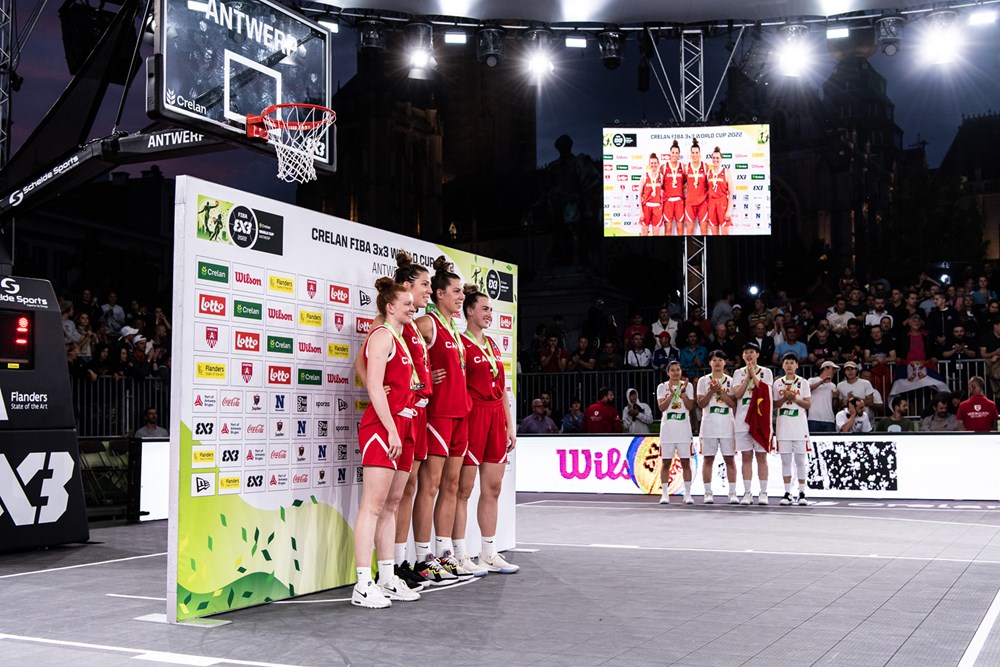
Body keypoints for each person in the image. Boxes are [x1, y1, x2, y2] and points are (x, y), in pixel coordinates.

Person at [353, 252, 434, 591]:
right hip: (383, 428)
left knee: (391, 505)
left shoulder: (401, 337)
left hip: (404, 424)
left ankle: (387, 576)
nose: (412, 307)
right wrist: (389, 428)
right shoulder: (383, 334)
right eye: (406, 303)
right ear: (390, 306)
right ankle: (362, 584)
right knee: (372, 508)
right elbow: (372, 384)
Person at [411, 257, 474, 585]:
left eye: (462, 291)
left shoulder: (454, 328)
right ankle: (422, 558)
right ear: (438, 294)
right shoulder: (426, 324)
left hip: (460, 414)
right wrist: (422, 376)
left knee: (451, 485)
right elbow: (403, 349)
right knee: (430, 485)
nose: (461, 297)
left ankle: (444, 552)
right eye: (455, 291)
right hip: (437, 415)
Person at [455, 286, 519, 575]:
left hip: (495, 418)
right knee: (463, 490)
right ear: (469, 310)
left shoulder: (493, 345)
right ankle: (458, 554)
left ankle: (489, 553)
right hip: (473, 417)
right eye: (484, 308)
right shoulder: (461, 343)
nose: (489, 314)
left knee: (493, 488)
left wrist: (509, 425)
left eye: (491, 309)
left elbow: (503, 390)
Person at [731, 343, 773, 505]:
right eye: (746, 352)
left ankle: (763, 493)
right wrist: (747, 377)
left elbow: (765, 391)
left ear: (757, 354)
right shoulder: (737, 373)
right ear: (742, 356)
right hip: (742, 419)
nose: (749, 355)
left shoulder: (766, 372)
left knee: (761, 456)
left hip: (760, 418)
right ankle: (747, 492)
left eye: (751, 352)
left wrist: (753, 375)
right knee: (746, 456)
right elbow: (737, 394)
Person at [696, 350, 737, 504]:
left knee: (729, 459)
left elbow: (733, 404)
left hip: (727, 425)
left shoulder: (731, 381)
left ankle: (732, 492)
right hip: (709, 425)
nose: (718, 363)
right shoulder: (703, 381)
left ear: (724, 362)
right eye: (714, 360)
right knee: (708, 459)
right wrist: (711, 391)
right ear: (710, 363)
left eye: (720, 360)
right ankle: (707, 492)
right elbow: (700, 404)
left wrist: (720, 391)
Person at [773, 352, 812, 506]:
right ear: (782, 365)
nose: (789, 365)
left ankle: (802, 493)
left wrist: (795, 398)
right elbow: (774, 405)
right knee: (785, 461)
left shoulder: (803, 383)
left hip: (799, 427)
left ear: (797, 365)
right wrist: (784, 398)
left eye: (792, 363)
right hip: (783, 428)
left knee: (800, 460)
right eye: (786, 363)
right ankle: (787, 492)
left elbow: (808, 404)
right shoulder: (777, 384)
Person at [656, 361, 696, 504]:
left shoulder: (688, 386)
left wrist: (683, 392)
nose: (675, 372)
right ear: (668, 372)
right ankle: (665, 494)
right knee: (666, 462)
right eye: (672, 370)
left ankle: (688, 494)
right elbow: (662, 407)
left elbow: (690, 406)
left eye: (678, 369)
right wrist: (671, 395)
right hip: (667, 430)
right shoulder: (662, 386)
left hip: (684, 430)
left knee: (686, 462)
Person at [684, 138, 709, 235]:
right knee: (689, 230)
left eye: (696, 152)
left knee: (704, 230)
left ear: (700, 154)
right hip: (690, 203)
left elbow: (708, 184)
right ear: (691, 154)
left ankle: (706, 250)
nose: (695, 155)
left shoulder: (705, 166)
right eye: (693, 153)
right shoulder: (687, 167)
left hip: (702, 203)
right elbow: (683, 182)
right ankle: (689, 250)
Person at [706, 147, 733, 236]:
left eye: (717, 158)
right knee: (714, 234)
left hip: (723, 204)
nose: (715, 160)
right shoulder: (708, 173)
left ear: (721, 159)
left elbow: (731, 193)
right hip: (712, 204)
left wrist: (729, 210)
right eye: (713, 158)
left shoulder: (726, 171)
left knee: (725, 233)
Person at [661, 139, 686, 236]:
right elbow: (661, 183)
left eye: (677, 153)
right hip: (668, 201)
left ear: (679, 154)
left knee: (680, 229)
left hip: (679, 201)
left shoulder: (683, 167)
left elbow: (685, 180)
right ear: (670, 153)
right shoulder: (664, 167)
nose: (675, 155)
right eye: (673, 152)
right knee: (668, 229)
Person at [638, 152, 664, 236]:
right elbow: (639, 194)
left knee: (656, 234)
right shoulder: (644, 176)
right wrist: (641, 211)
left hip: (657, 207)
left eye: (655, 163)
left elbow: (663, 191)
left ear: (658, 163)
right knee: (644, 234)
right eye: (652, 163)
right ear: (649, 164)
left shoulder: (661, 176)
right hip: (646, 208)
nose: (653, 165)